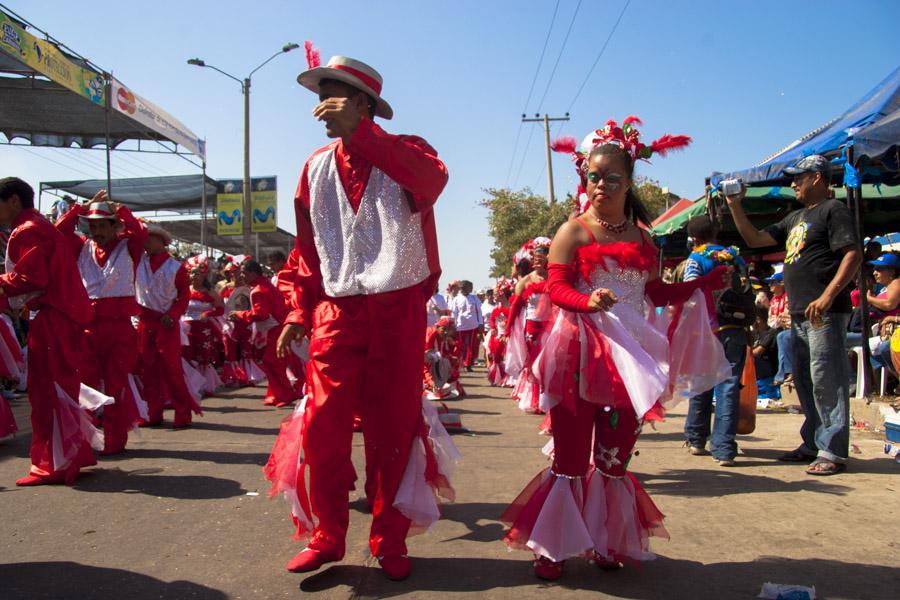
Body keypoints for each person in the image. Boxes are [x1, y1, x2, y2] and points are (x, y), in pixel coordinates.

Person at [502, 119, 730, 580]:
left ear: (629, 182)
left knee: (613, 459)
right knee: (568, 459)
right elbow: (557, 287)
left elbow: (653, 293)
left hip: (632, 357)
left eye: (611, 177)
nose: (600, 185)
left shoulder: (645, 239)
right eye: (593, 176)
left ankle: (606, 541)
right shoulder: (574, 231)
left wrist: (699, 287)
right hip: (578, 352)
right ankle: (553, 547)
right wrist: (589, 301)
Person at [264, 54, 449, 580]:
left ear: (365, 104)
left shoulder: (408, 151)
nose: (322, 106)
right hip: (336, 311)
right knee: (322, 425)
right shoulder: (315, 166)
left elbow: (432, 182)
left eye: (335, 95)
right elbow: (307, 250)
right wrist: (299, 310)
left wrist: (363, 134)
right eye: (321, 95)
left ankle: (390, 539)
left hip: (398, 308)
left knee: (392, 430)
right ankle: (327, 534)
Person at [727, 154, 861, 475]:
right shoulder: (796, 218)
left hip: (824, 311)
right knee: (803, 379)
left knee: (826, 379)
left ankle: (832, 450)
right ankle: (814, 442)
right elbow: (755, 239)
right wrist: (734, 205)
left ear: (817, 177)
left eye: (798, 178)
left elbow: (852, 254)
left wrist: (828, 296)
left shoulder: (834, 210)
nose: (793, 184)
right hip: (799, 313)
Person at [0, 177, 99, 485]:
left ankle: (53, 464)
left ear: (14, 200)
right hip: (60, 314)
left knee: (48, 390)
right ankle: (65, 456)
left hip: (54, 315)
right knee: (56, 387)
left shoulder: (28, 229)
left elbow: (33, 277)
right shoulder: (38, 226)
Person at [55, 193, 148, 455]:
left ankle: (114, 440)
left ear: (113, 226)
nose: (96, 231)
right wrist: (77, 210)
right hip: (87, 328)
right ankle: (85, 441)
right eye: (92, 226)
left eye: (101, 225)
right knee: (84, 385)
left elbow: (140, 233)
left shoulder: (129, 246)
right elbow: (57, 233)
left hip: (119, 329)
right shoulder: (81, 246)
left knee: (116, 385)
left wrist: (124, 212)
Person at [681, 215, 750, 466]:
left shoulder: (696, 258)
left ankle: (697, 439)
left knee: (701, 381)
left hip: (705, 329)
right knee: (729, 385)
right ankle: (724, 449)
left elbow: (690, 291)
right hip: (735, 326)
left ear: (694, 238)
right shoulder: (736, 256)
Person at [135, 224, 202, 427]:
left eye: (150, 239)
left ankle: (183, 414)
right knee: (148, 371)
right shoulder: (139, 262)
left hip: (166, 324)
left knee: (172, 370)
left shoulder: (176, 267)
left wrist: (172, 315)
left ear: (162, 242)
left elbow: (184, 296)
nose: (146, 243)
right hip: (145, 323)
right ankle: (153, 413)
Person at [231, 260, 297, 407]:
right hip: (277, 327)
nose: (241, 276)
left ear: (253, 273)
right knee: (273, 362)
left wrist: (240, 315)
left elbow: (261, 315)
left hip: (274, 330)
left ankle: (286, 393)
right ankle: (276, 394)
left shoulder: (259, 290)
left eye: (244, 273)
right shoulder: (265, 286)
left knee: (273, 362)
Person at [506, 238, 553, 414]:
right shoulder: (525, 281)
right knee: (534, 363)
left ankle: (548, 399)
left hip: (552, 326)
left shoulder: (556, 278)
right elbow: (515, 307)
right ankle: (535, 399)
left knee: (549, 363)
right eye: (535, 258)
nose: (537, 262)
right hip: (532, 327)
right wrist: (508, 329)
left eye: (541, 258)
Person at [183, 256, 224, 393]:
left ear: (204, 275)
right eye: (192, 272)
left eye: (197, 273)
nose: (194, 276)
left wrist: (208, 314)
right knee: (188, 357)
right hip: (186, 329)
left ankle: (206, 385)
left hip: (203, 329)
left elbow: (220, 309)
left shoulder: (210, 292)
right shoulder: (184, 290)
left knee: (203, 357)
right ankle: (191, 385)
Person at [864, 253, 900, 375]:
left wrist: (869, 299)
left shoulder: (896, 283)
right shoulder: (885, 287)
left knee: (883, 348)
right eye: (874, 269)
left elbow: (890, 304)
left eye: (879, 269)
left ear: (892, 271)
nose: (875, 273)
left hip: (894, 331)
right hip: (882, 331)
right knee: (871, 347)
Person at [451, 280, 483, 371]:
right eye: (470, 287)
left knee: (471, 346)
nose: (471, 289)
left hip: (473, 325)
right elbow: (454, 313)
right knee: (460, 345)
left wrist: (480, 323)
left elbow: (479, 312)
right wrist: (453, 325)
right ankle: (458, 363)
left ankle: (468, 364)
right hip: (460, 327)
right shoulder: (456, 299)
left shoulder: (474, 298)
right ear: (463, 288)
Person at [488, 279, 514, 386]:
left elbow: (513, 318)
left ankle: (509, 379)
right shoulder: (497, 307)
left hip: (509, 335)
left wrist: (506, 322)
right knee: (497, 357)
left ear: (502, 294)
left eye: (496, 293)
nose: (495, 295)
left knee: (509, 357)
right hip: (498, 334)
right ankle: (498, 378)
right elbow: (492, 318)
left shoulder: (511, 306)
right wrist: (493, 327)